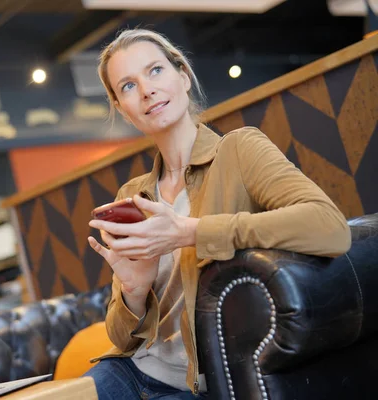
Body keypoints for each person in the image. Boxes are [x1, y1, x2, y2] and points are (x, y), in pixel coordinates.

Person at [83, 28, 351, 400]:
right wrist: (133, 291)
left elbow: (330, 227)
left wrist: (192, 231)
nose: (146, 90)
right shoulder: (132, 197)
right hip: (130, 370)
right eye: (128, 86)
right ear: (122, 109)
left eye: (155, 71)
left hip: (197, 387)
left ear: (183, 75)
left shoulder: (240, 150)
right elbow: (119, 337)